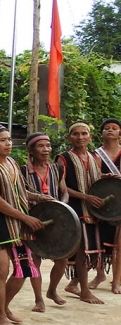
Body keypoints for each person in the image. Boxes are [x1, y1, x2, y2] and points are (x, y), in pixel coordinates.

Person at [0, 124, 47, 325]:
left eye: (9, 139)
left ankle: (3, 307)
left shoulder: (12, 163)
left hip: (16, 224)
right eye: (3, 140)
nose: (8, 144)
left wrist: (40, 197)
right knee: (1, 271)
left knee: (24, 270)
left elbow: (21, 191)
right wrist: (25, 218)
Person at [56, 121, 106, 305]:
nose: (80, 137)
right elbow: (62, 187)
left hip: (93, 210)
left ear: (90, 137)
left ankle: (74, 285)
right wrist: (85, 197)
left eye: (84, 133)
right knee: (82, 251)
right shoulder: (63, 158)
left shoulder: (95, 157)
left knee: (87, 250)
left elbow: (97, 181)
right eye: (75, 134)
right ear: (69, 137)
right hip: (75, 209)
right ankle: (84, 291)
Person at [20, 132, 69, 310]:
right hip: (33, 218)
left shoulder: (57, 168)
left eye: (48, 146)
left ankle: (52, 290)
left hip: (56, 220)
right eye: (41, 146)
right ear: (31, 150)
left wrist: (61, 206)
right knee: (35, 259)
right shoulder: (22, 170)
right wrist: (38, 197)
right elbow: (19, 193)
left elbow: (64, 191)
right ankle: (38, 299)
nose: (46, 149)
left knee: (62, 258)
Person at [93, 118, 121, 293]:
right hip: (101, 201)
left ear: (120, 133)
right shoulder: (95, 154)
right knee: (99, 239)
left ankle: (116, 280)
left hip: (120, 202)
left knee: (120, 243)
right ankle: (99, 274)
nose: (110, 130)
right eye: (106, 128)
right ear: (101, 133)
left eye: (114, 128)